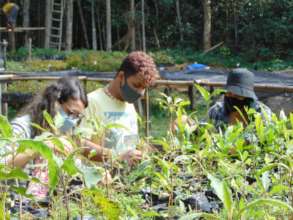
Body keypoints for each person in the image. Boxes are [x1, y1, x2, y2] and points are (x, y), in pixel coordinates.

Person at [0, 77, 88, 217]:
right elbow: (2, 166)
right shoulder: (23, 127)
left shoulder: (63, 133)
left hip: (47, 209)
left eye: (77, 117)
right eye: (70, 113)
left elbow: (75, 171)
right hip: (16, 209)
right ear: (55, 103)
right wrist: (39, 147)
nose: (72, 121)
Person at [79, 51, 159, 165]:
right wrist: (116, 156)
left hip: (122, 179)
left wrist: (141, 149)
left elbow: (129, 141)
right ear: (121, 76)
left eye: (143, 88)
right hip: (98, 179)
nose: (140, 92)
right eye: (136, 85)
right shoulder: (92, 101)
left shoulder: (129, 106)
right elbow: (79, 143)